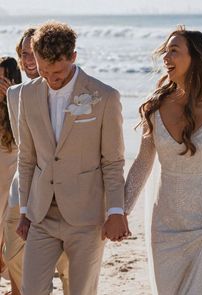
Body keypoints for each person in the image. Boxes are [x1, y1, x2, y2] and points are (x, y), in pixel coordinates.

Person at [16, 21, 128, 295]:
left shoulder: (104, 96)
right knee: (31, 290)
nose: (51, 80)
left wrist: (116, 211)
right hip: (41, 214)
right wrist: (23, 211)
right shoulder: (28, 94)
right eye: (43, 71)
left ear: (74, 58)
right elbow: (27, 157)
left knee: (82, 291)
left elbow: (112, 161)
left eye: (58, 72)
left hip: (87, 217)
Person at [124, 26, 202, 294]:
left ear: (196, 58)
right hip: (165, 223)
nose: (166, 56)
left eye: (174, 50)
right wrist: (122, 211)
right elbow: (142, 163)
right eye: (166, 50)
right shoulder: (154, 106)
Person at [4, 28, 70, 294]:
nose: (30, 60)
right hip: (24, 183)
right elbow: (22, 145)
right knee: (13, 251)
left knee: (67, 266)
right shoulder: (15, 93)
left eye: (34, 53)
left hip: (60, 189)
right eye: (24, 54)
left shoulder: (66, 88)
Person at [0, 56, 21, 294]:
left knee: (13, 248)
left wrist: (11, 100)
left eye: (3, 79)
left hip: (12, 186)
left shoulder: (20, 104)